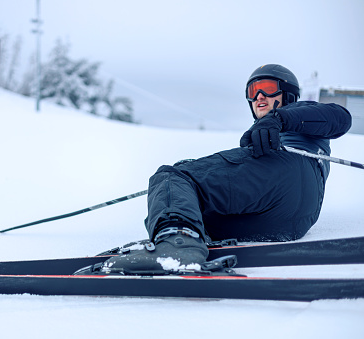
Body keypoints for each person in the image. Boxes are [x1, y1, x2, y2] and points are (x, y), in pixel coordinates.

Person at [102, 64, 352, 273]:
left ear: (287, 94)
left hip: (288, 173)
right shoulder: (266, 133)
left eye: (267, 88)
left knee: (174, 176)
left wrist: (280, 118)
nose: (259, 97)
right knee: (200, 209)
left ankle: (176, 243)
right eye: (253, 91)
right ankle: (189, 236)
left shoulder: (298, 113)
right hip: (292, 221)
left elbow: (340, 117)